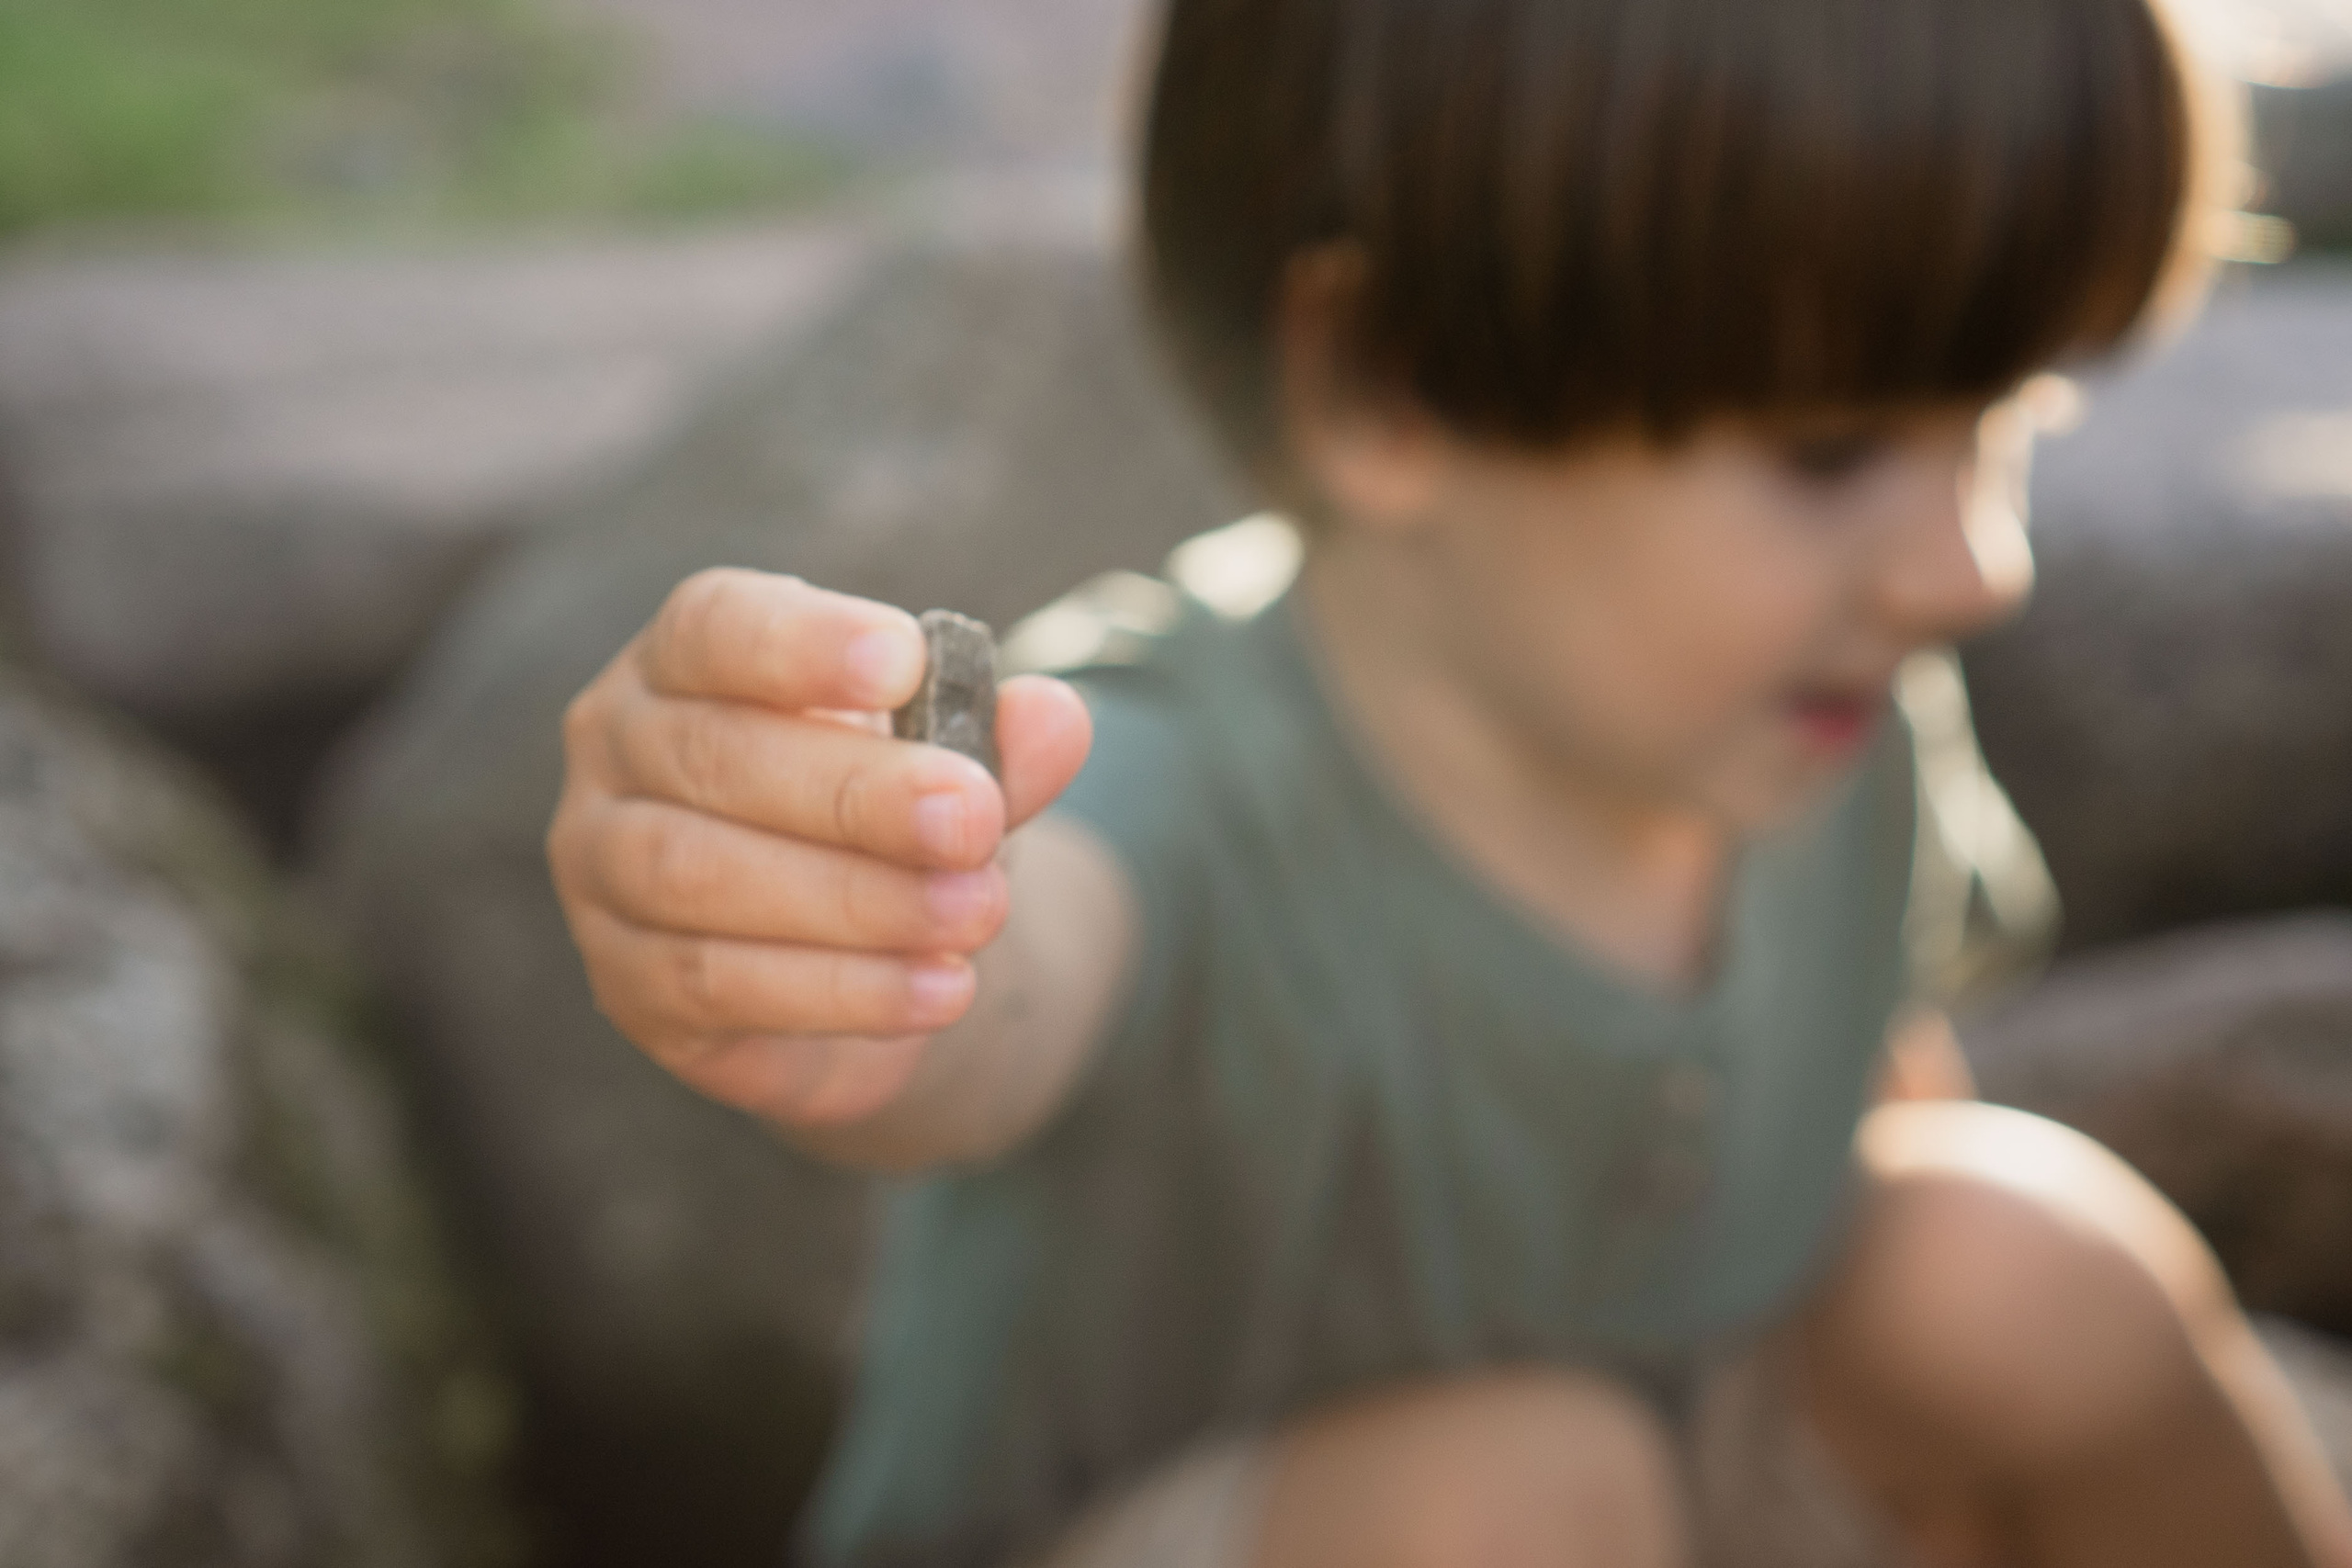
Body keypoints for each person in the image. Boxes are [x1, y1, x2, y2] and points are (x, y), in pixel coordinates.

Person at [546, 0, 2352, 1562]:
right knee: (1514, 1490)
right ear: (1385, 386)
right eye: (1828, 452)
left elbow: (1868, 1093)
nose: (1973, 565)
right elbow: (1023, 963)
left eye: (2006, 419)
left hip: (1668, 1462)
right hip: (1226, 1526)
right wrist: (862, 946)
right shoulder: (1178, 776)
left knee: (2020, 1268)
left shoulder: (1824, 712)